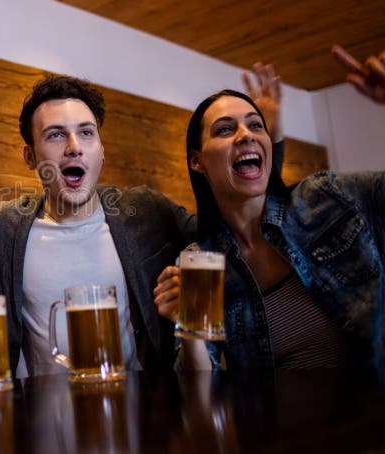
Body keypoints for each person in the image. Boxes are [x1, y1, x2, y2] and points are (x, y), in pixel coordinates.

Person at [0, 70, 284, 379]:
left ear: (101, 151)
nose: (74, 146)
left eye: (87, 133)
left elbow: (229, 234)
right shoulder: (4, 229)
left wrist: (268, 150)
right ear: (30, 156)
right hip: (40, 432)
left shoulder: (147, 211)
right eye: (56, 135)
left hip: (142, 426)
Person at [153, 72, 384, 369]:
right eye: (225, 130)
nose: (246, 134)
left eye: (256, 125)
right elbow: (200, 392)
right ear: (197, 161)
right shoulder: (199, 261)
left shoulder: (326, 197)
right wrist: (189, 329)